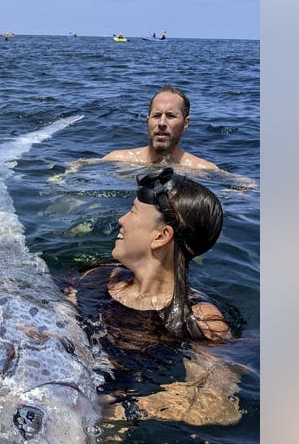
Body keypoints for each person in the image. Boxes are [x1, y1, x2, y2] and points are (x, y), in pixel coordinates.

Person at [66, 168, 243, 426]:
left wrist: (117, 409)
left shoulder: (200, 319)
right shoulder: (98, 277)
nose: (121, 220)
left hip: (108, 421)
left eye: (133, 212)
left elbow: (215, 406)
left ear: (161, 236)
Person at [103, 84, 221, 170]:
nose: (162, 123)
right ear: (148, 121)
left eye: (170, 116)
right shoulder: (117, 160)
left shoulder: (202, 170)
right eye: (156, 115)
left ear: (185, 123)